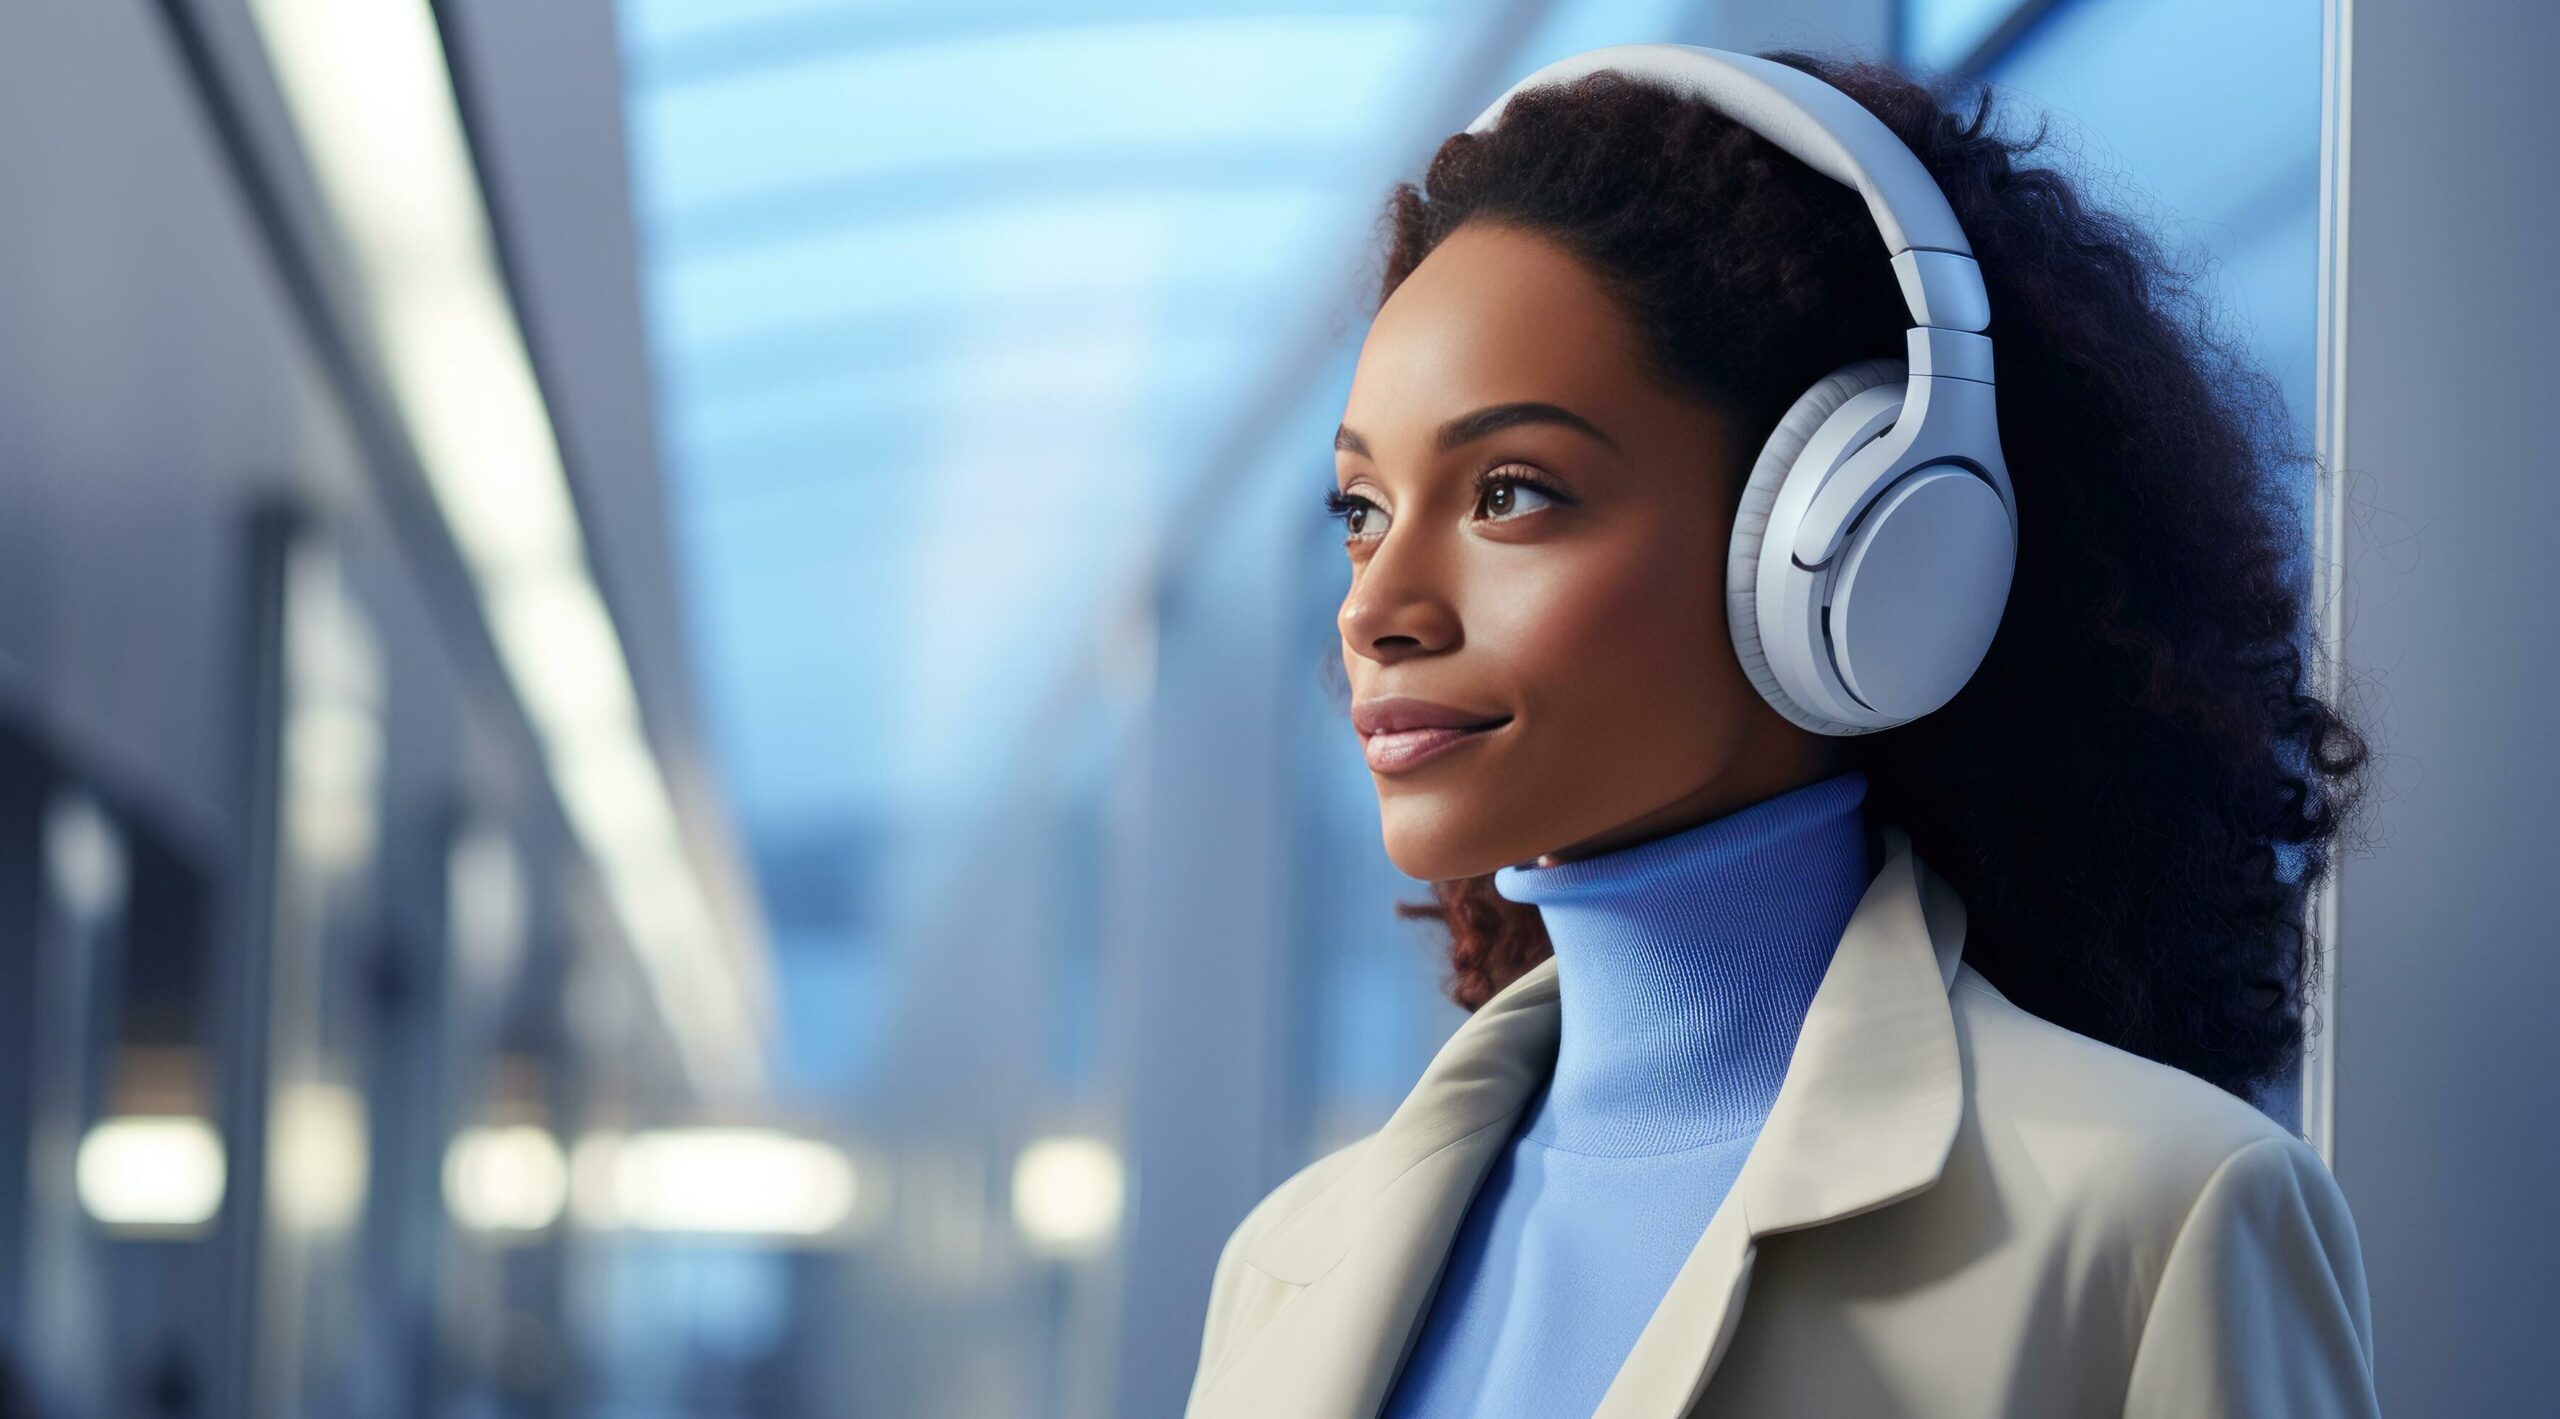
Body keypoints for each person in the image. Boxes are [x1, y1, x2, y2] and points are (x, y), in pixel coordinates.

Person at [1184, 43, 2380, 1419]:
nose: (1375, 608)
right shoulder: (1284, 1264)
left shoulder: (2154, 1223)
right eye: (1360, 512)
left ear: (1854, 543)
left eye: (1509, 493)